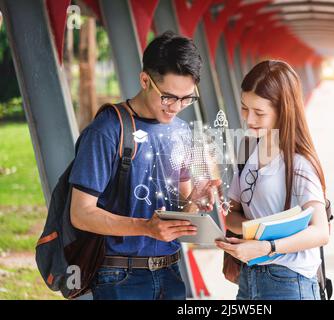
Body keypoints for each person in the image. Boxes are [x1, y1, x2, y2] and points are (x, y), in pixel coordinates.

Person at [69, 31, 221, 300]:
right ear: (144, 80)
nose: (177, 107)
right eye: (169, 97)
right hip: (119, 277)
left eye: (187, 99)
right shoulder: (107, 130)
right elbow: (80, 214)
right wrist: (145, 227)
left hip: (171, 273)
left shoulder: (182, 131)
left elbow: (181, 206)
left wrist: (195, 201)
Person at [215, 60, 329, 300]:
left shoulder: (299, 164)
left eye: (259, 113)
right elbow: (231, 214)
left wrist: (267, 246)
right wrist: (246, 236)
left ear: (283, 110)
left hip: (289, 282)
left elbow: (320, 232)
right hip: (249, 277)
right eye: (245, 108)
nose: (249, 119)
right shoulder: (249, 151)